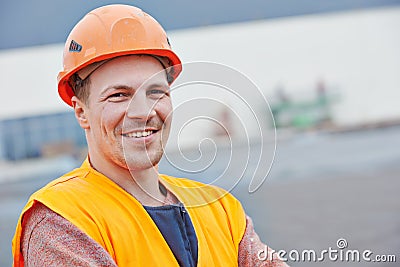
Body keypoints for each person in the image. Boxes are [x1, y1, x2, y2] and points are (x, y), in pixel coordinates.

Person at [12, 4, 287, 267]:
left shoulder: (222, 210)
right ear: (81, 112)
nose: (143, 112)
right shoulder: (62, 220)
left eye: (156, 92)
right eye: (119, 95)